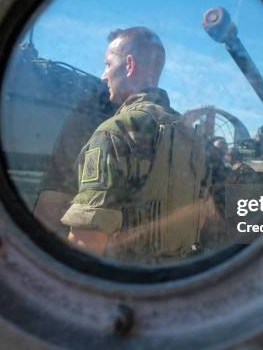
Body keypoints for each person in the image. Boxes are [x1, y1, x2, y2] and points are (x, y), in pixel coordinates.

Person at [60, 27, 208, 263]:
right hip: (179, 279)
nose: (103, 75)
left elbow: (86, 241)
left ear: (129, 65)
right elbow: (200, 215)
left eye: (108, 64)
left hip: (128, 284)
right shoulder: (190, 135)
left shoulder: (115, 131)